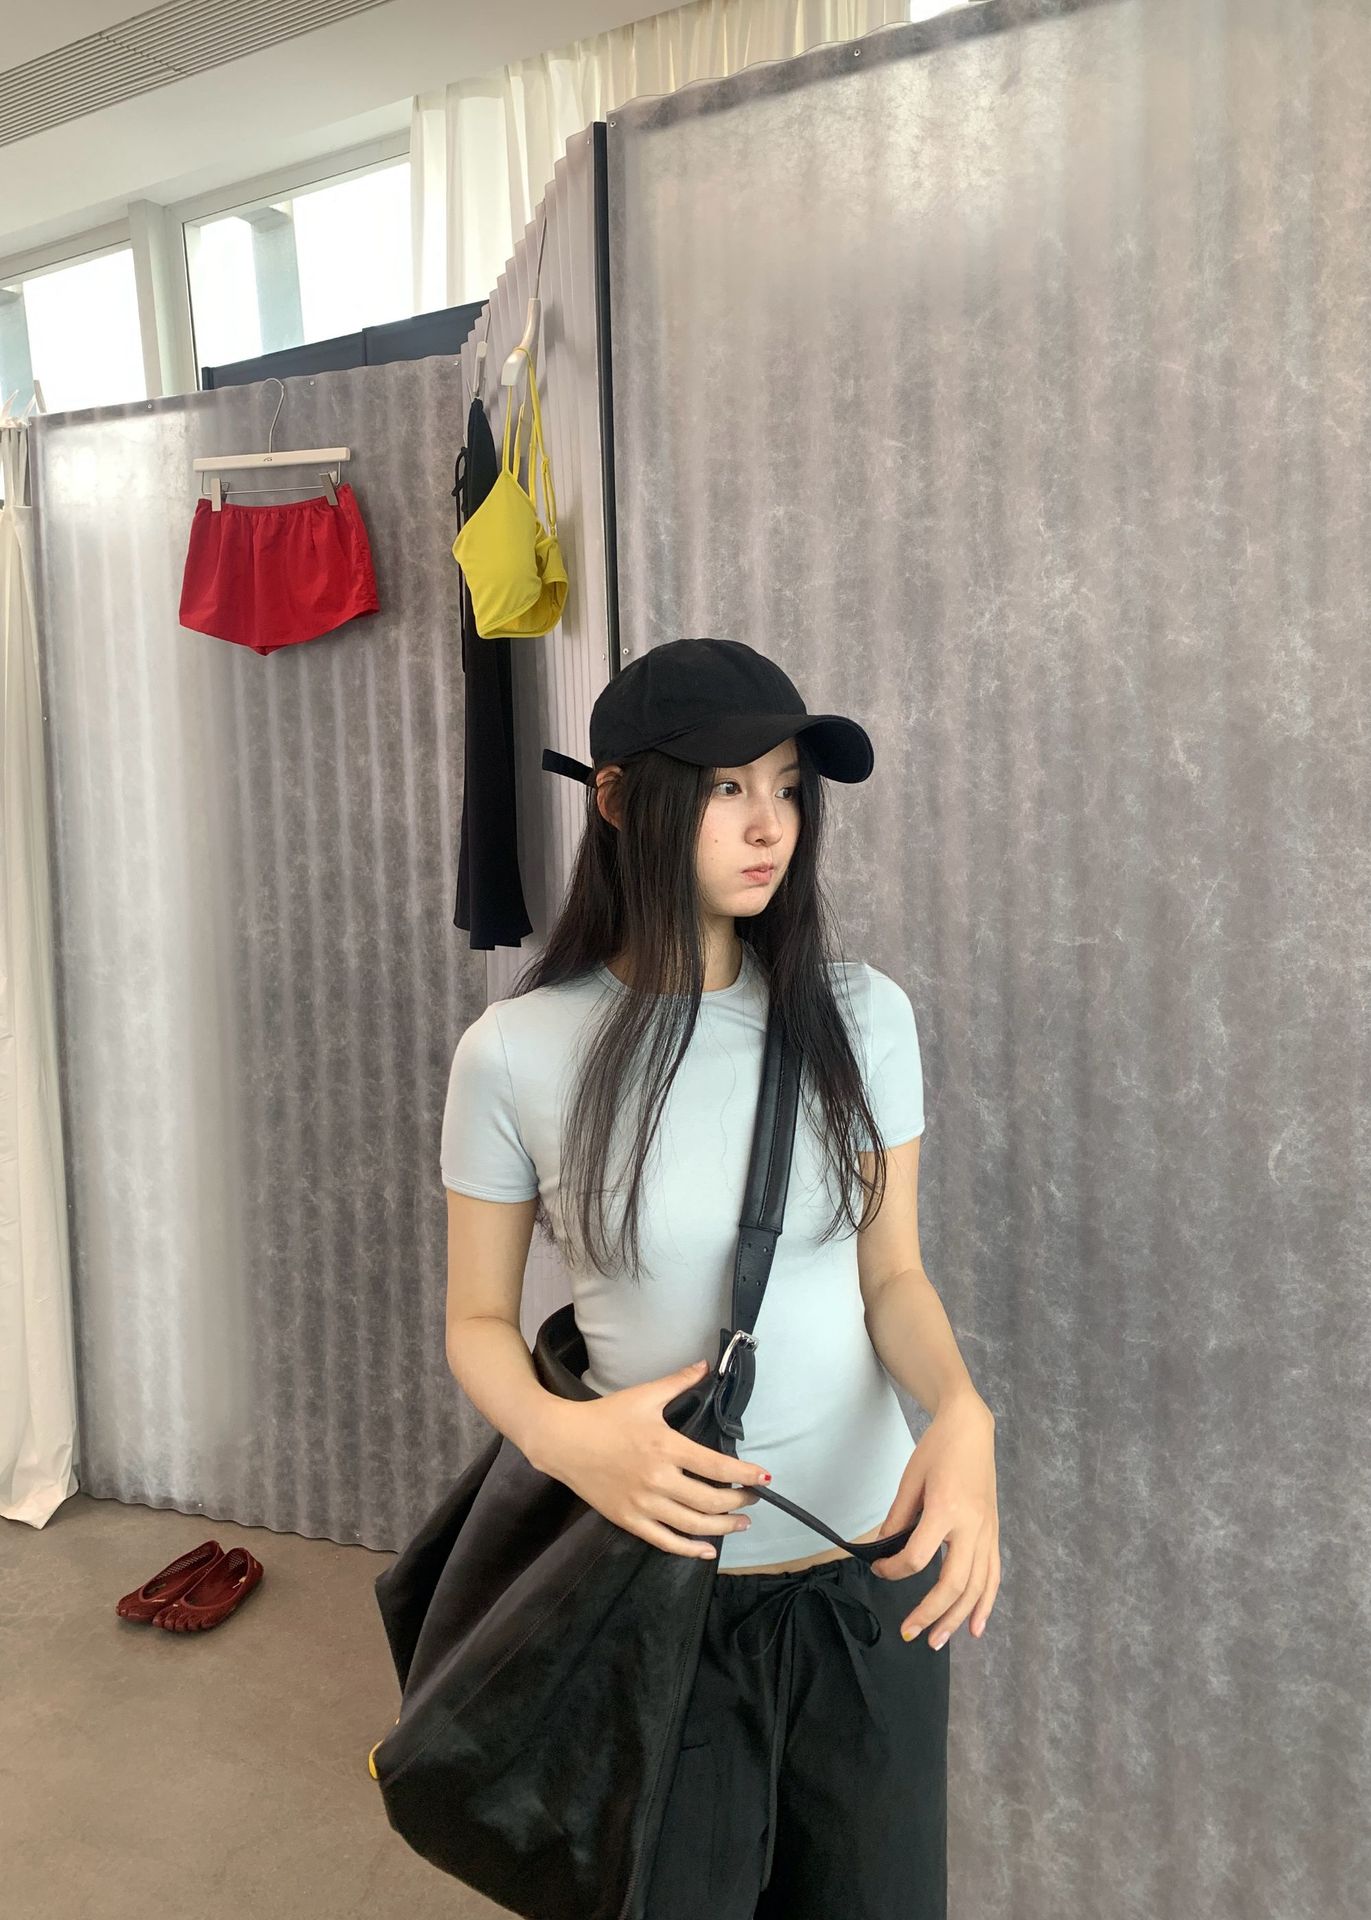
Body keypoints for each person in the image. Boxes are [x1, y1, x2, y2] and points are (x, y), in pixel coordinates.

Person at [440, 638, 999, 1919]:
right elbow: (475, 1320)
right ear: (619, 799)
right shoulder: (515, 1053)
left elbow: (893, 1279)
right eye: (728, 787)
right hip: (660, 1603)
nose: (770, 826)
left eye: (789, 787)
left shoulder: (863, 1015)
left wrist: (964, 1411)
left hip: (869, 1585)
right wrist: (565, 1441)